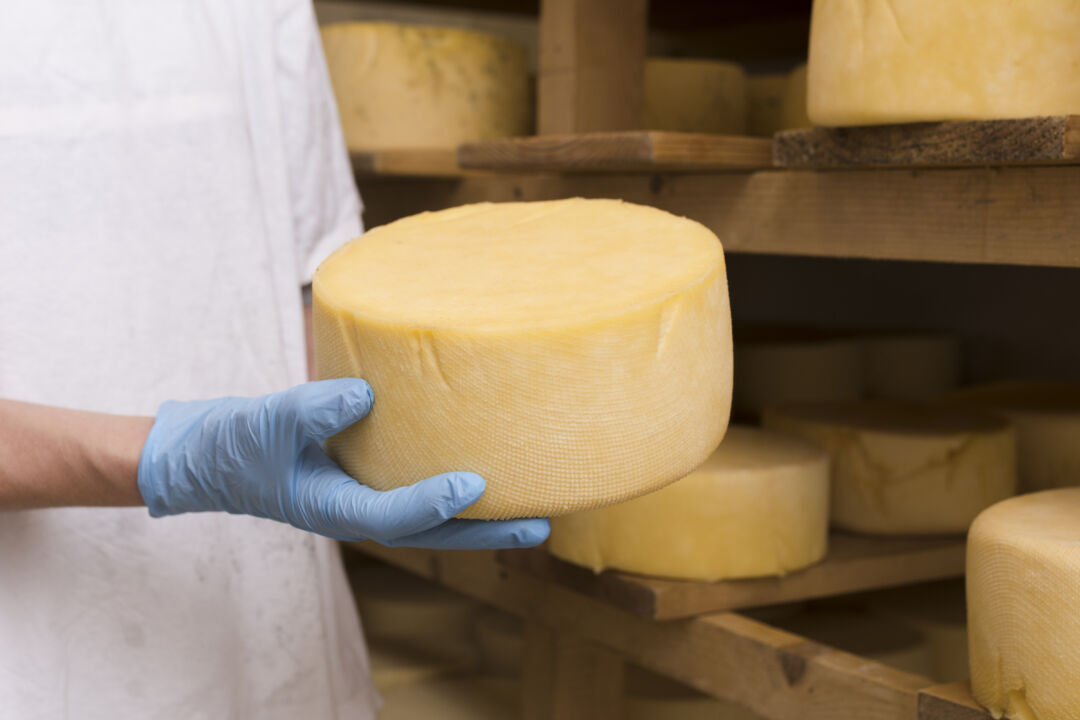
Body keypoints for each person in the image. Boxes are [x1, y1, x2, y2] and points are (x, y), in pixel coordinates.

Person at [0, 2, 548, 718]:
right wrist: (174, 456)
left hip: (268, 635)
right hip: (37, 662)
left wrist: (423, 431)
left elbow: (304, 282)